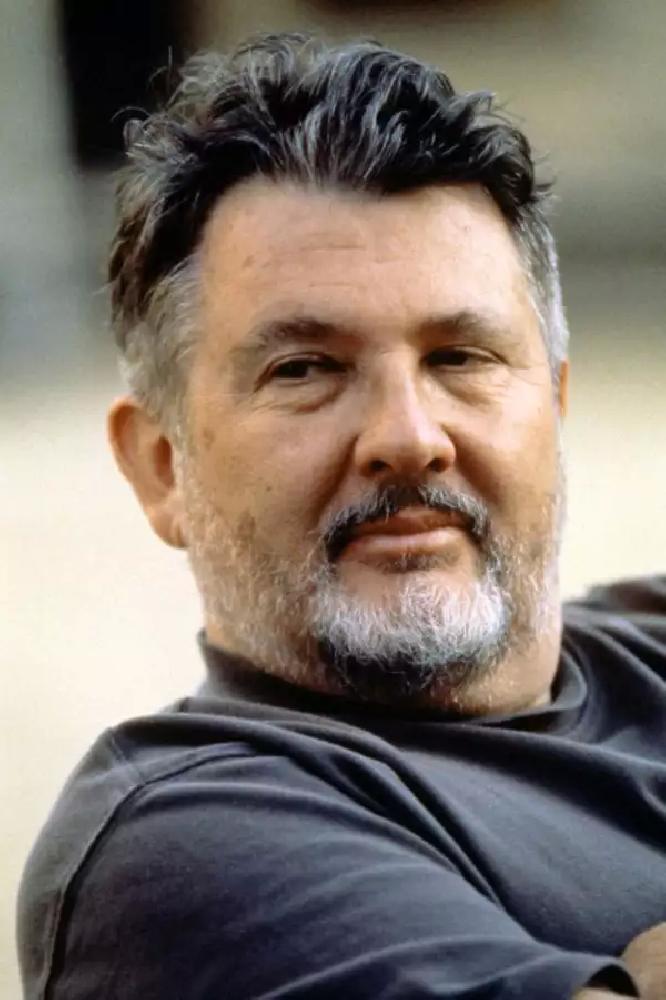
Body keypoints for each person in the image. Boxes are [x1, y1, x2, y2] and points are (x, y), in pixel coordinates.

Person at [17, 32, 666, 1000]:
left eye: (459, 358)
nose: (408, 437)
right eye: (305, 370)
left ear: (555, 407)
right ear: (160, 466)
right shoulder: (186, 845)